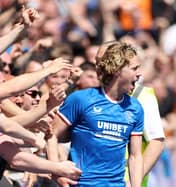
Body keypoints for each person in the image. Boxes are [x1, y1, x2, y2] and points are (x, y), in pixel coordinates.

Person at [47, 41, 144, 187]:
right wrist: (56, 173)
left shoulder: (135, 108)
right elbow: (51, 135)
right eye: (134, 68)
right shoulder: (81, 99)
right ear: (118, 69)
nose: (139, 74)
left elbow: (135, 156)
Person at [96, 41, 165, 187]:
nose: (98, 66)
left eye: (102, 61)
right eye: (96, 61)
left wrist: (133, 181)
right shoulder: (89, 96)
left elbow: (156, 142)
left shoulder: (141, 95)